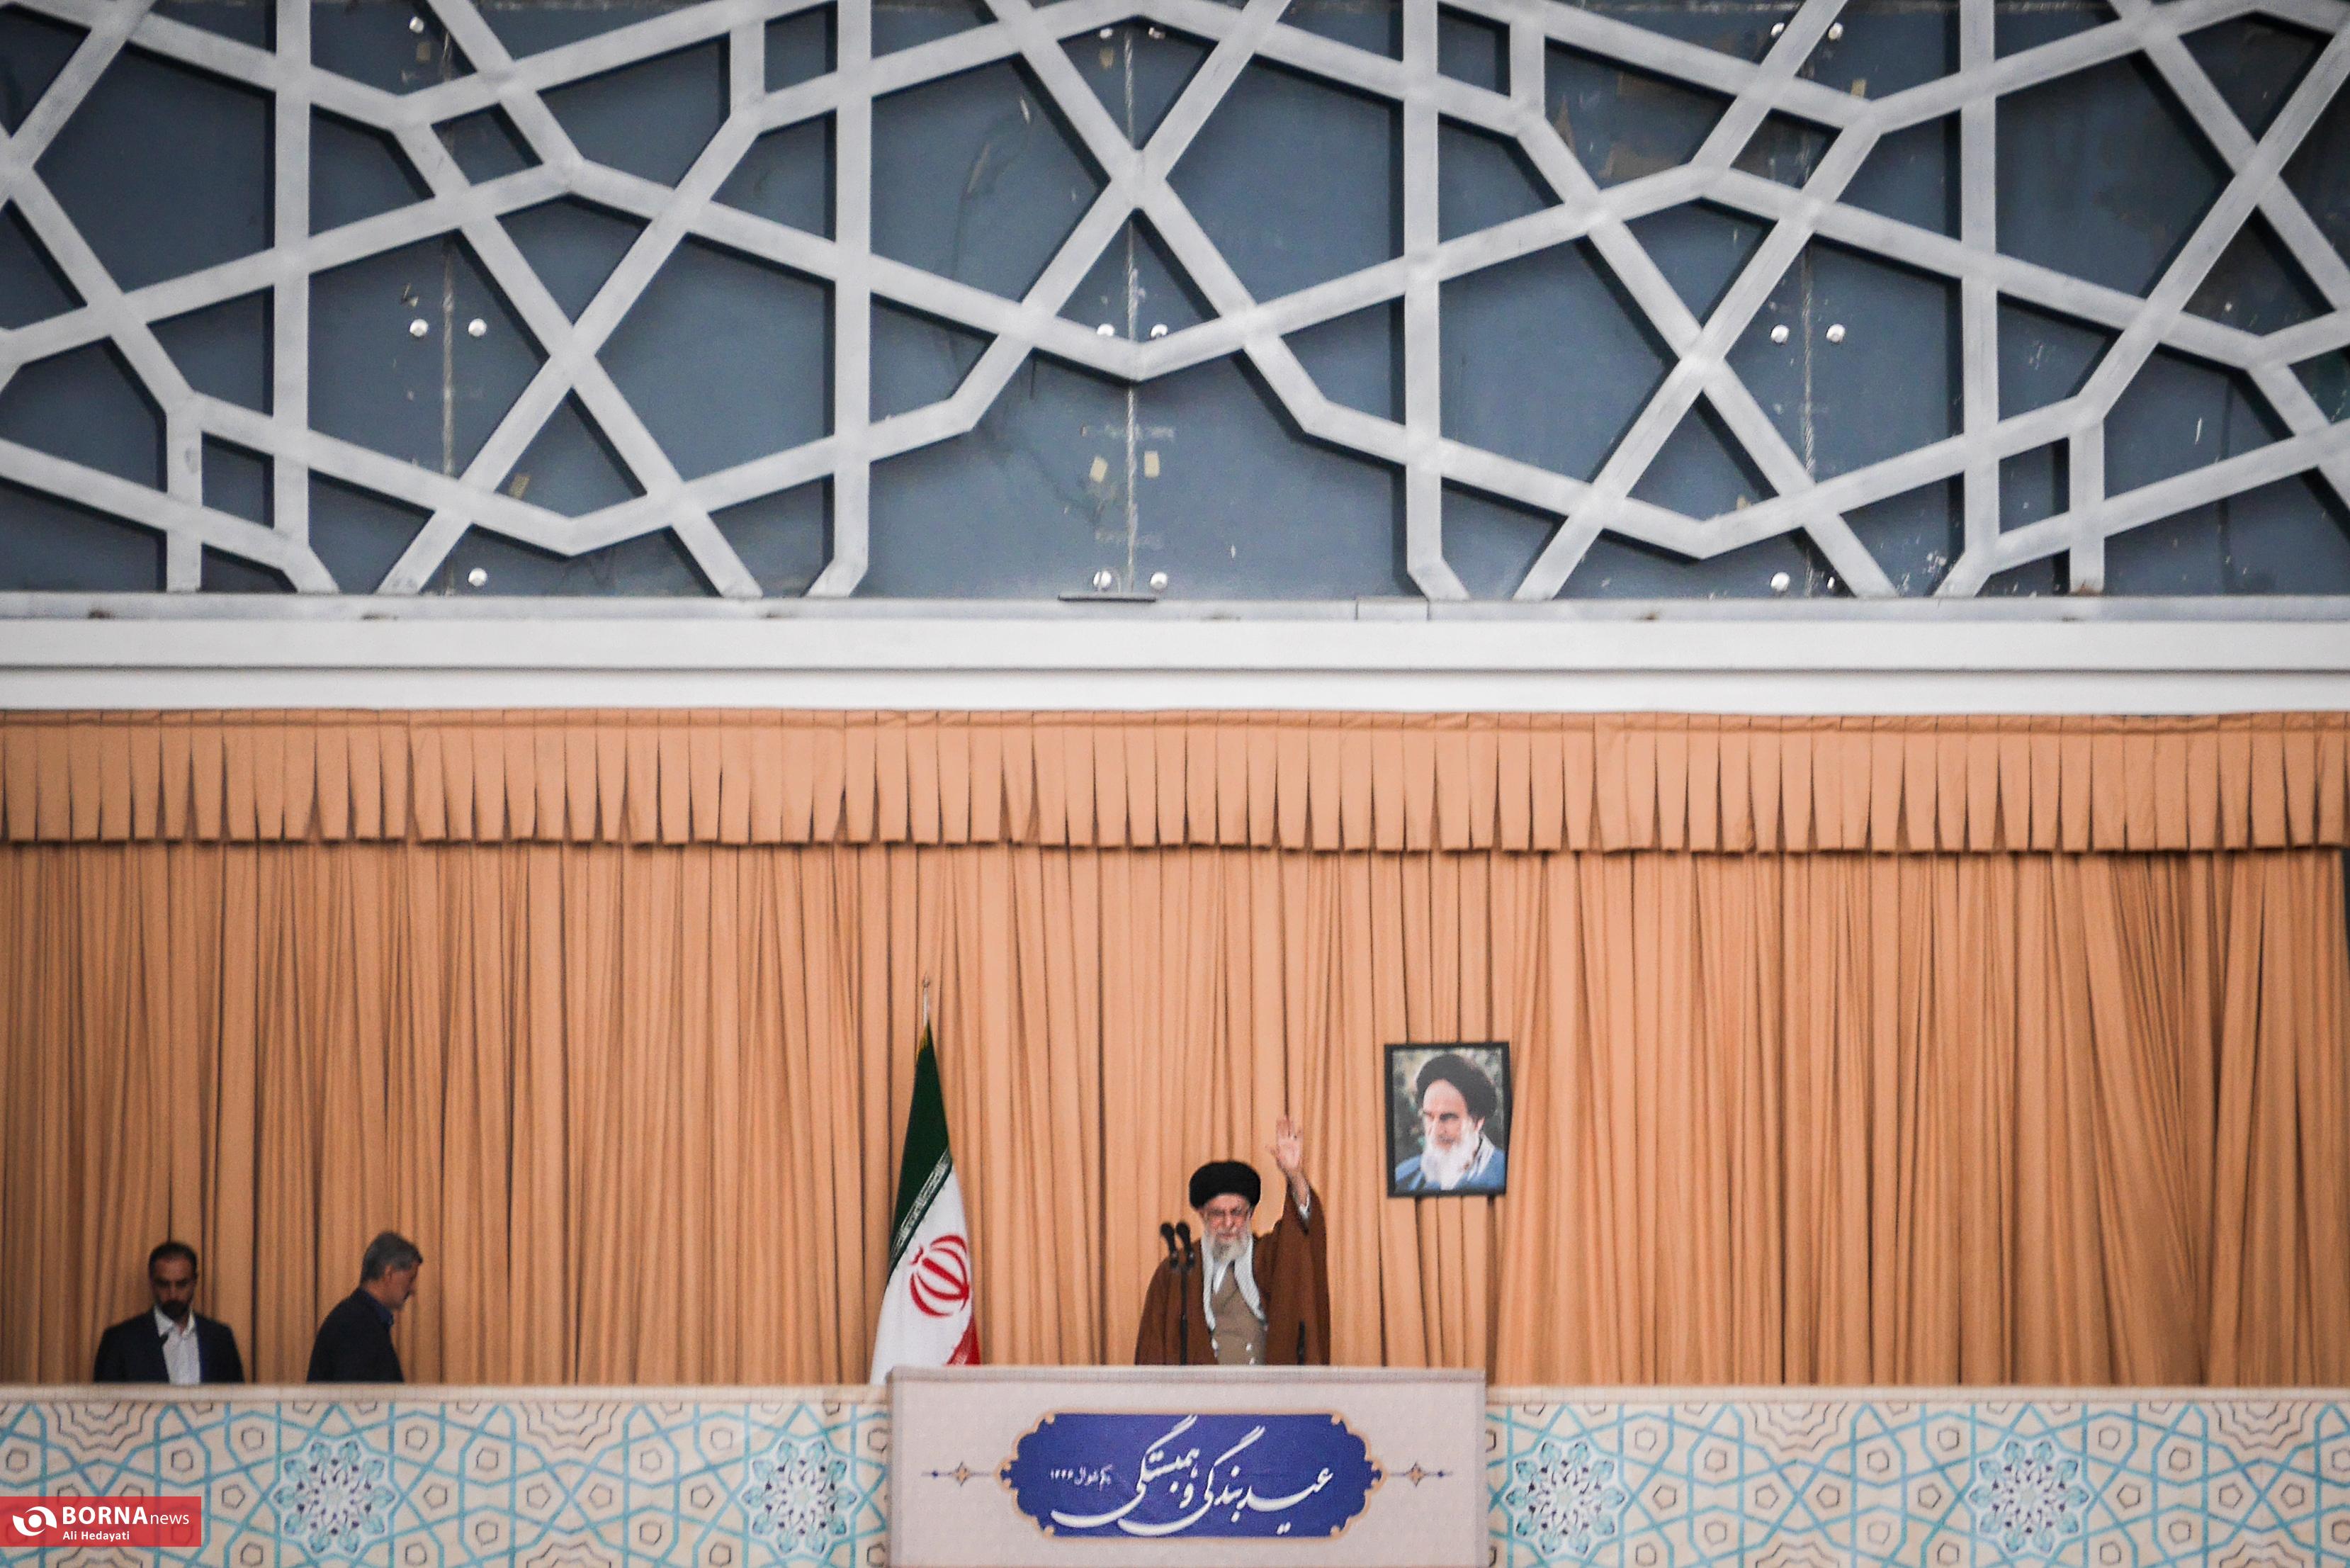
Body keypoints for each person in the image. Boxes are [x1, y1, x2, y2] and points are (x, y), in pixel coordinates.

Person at [1134, 1117, 1330, 1366]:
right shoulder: (1177, 1271)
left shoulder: (1269, 1258)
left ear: (1250, 1214)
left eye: (1237, 1212)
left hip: (1264, 1388)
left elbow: (1302, 1233)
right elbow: (1152, 1351)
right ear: (1202, 1215)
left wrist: (1295, 1177)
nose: (1228, 1223)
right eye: (1218, 1214)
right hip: (1201, 1390)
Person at [92, 1241, 245, 1384]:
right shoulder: (120, 1341)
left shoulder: (220, 1339)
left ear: (194, 1282)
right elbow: (104, 1401)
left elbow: (237, 1398)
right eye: (164, 1284)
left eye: (182, 1284)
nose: (173, 1294)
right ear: (152, 1283)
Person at [306, 1231, 422, 1383]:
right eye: (411, 1279)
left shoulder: (356, 1318)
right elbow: (358, 1394)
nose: (413, 1289)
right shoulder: (356, 1324)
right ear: (389, 1273)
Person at [1393, 1053, 1507, 1193]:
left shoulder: (1507, 1176)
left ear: (1477, 1121)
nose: (1435, 1131)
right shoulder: (1402, 1178)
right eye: (1429, 1117)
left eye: (1447, 1118)